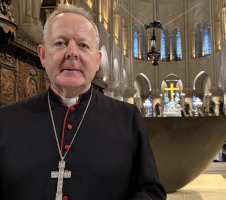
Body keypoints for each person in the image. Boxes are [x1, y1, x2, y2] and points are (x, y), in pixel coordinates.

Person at [0, 4, 166, 200]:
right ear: (43, 55)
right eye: (60, 43)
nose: (72, 53)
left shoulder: (127, 118)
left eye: (83, 45)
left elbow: (150, 192)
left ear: (97, 61)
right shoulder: (6, 120)